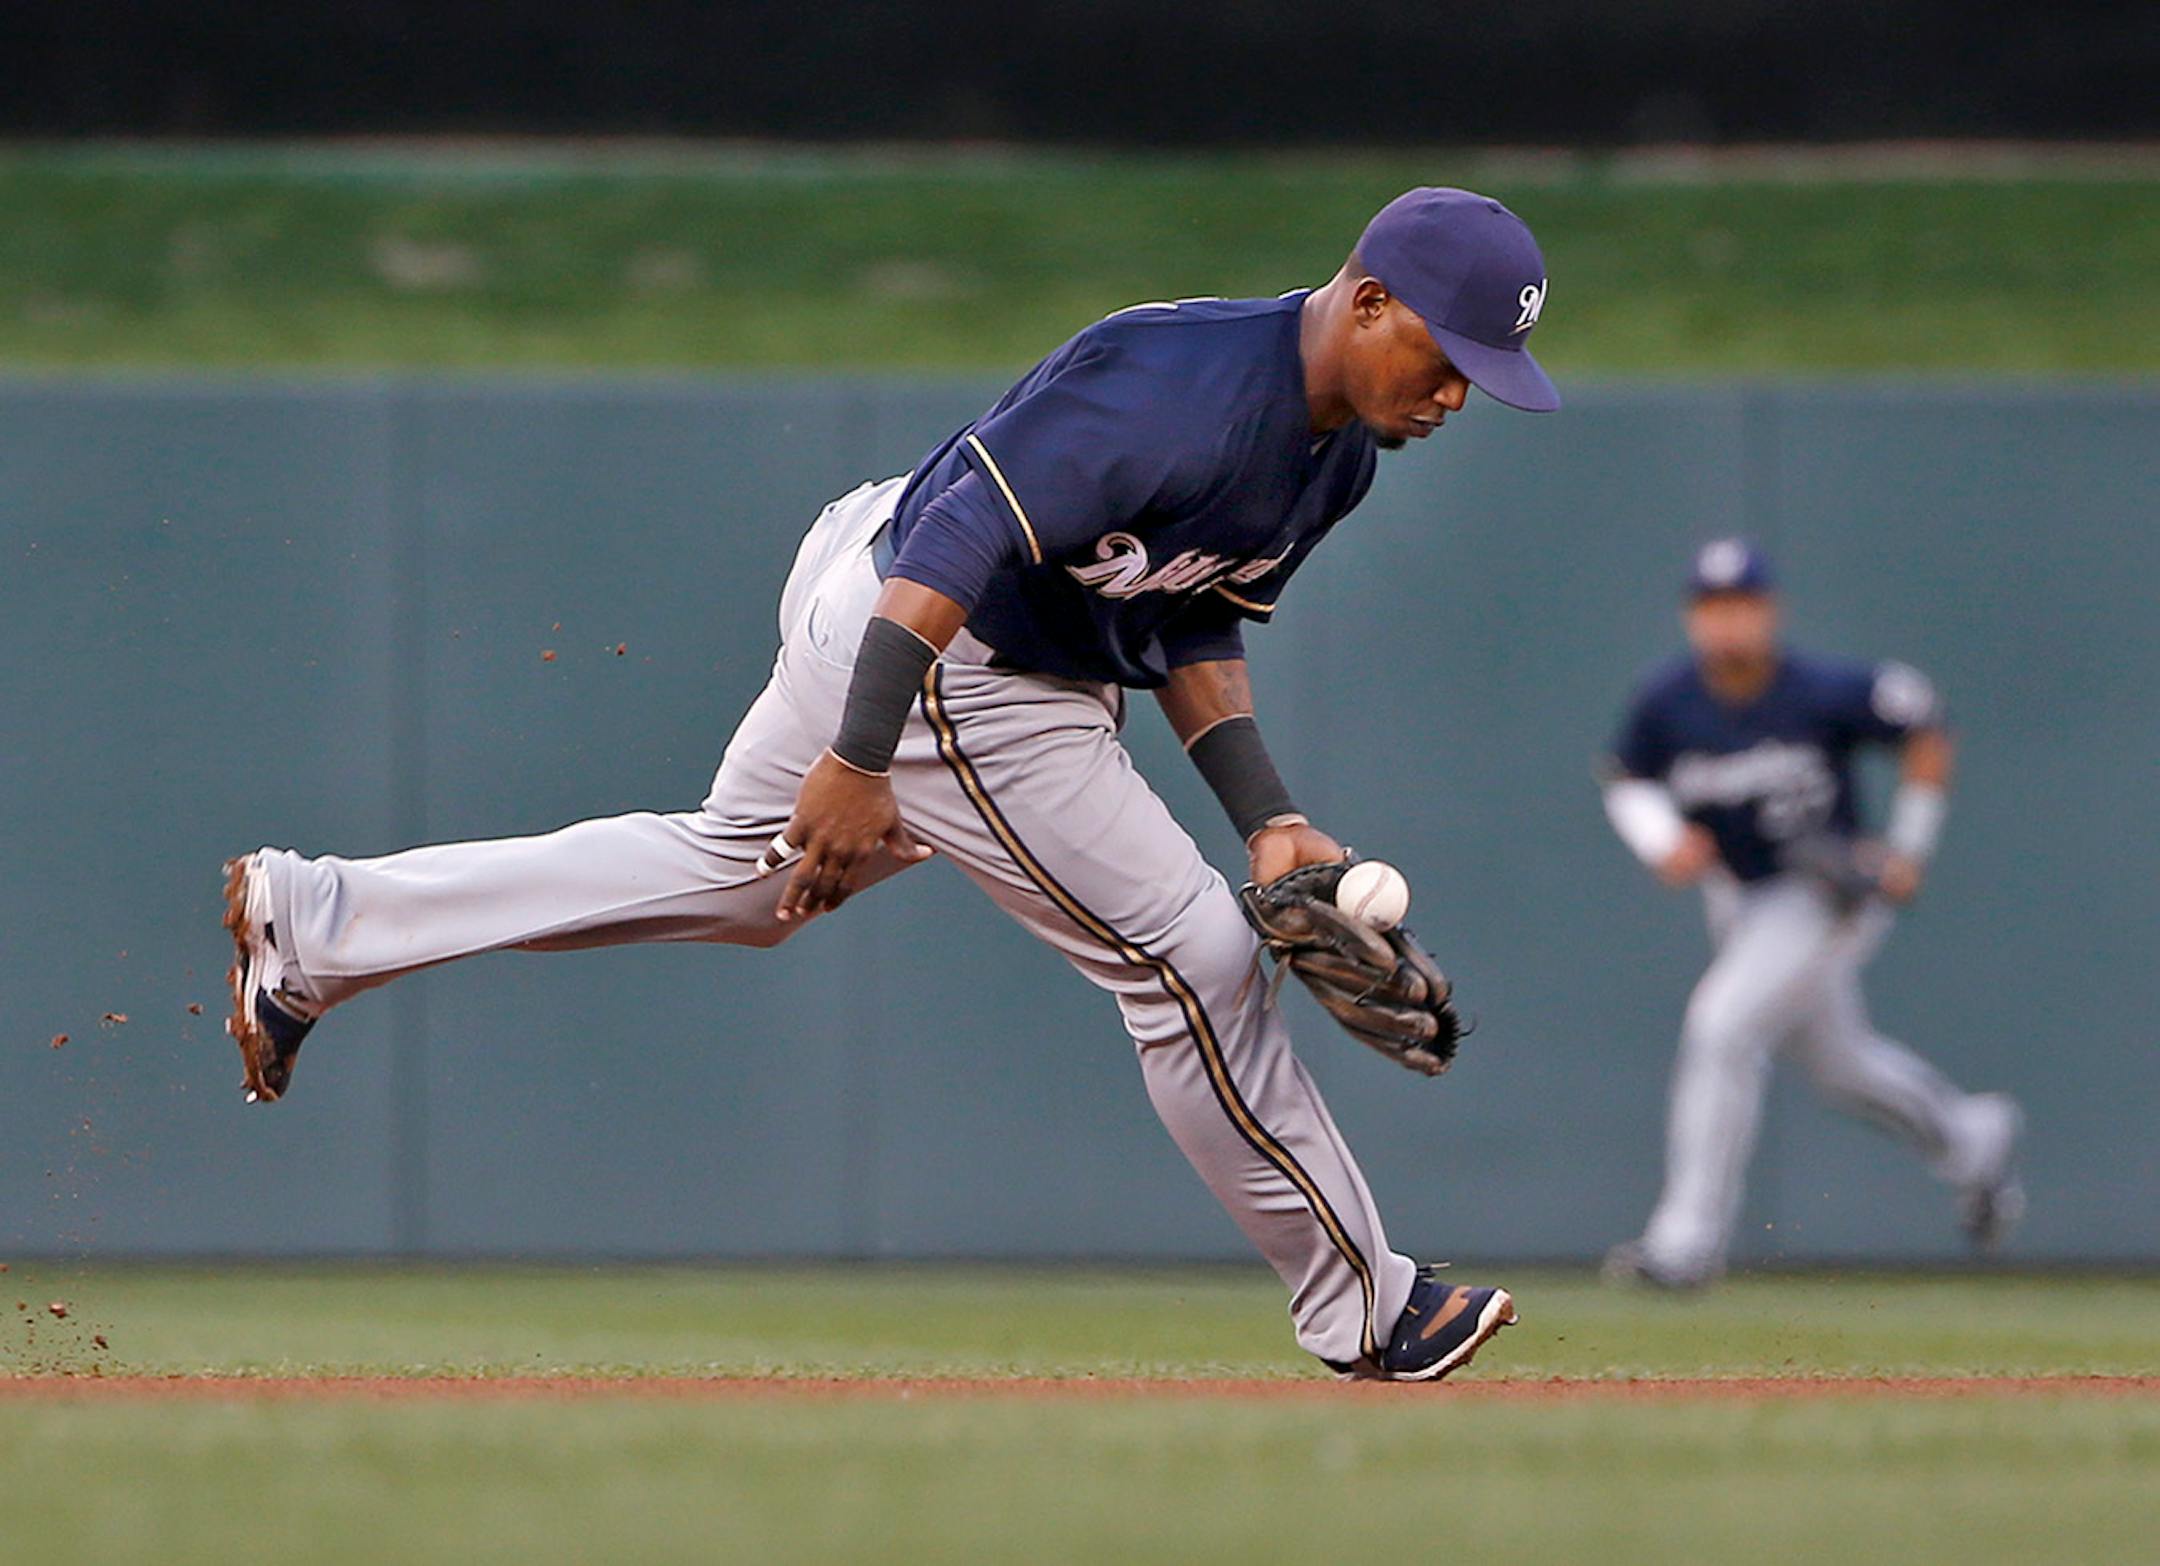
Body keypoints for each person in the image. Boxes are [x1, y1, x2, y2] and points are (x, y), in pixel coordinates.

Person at [222, 187, 1557, 1380]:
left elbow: (1182, 621)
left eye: (1479, 377)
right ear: (1370, 301)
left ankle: (321, 924)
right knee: (1192, 961)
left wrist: (1266, 816)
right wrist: (860, 757)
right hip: (945, 646)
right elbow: (961, 528)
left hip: (915, 612)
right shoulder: (1180, 384)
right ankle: (1365, 1306)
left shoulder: (1335, 457)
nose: (1453, 395)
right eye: (1446, 357)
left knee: (741, 880)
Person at [1598, 538, 2025, 1288]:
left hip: (1821, 894)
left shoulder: (1821, 689)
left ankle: (1685, 1242)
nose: (1727, 622)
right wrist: (1660, 837)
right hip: (1739, 897)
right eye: (1711, 607)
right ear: (1692, 617)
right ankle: (1970, 1136)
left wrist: (1909, 848)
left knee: (1720, 1028)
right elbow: (1625, 775)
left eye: (1741, 605)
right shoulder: (1667, 699)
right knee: (1841, 1065)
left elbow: (1925, 724)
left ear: (1770, 612)